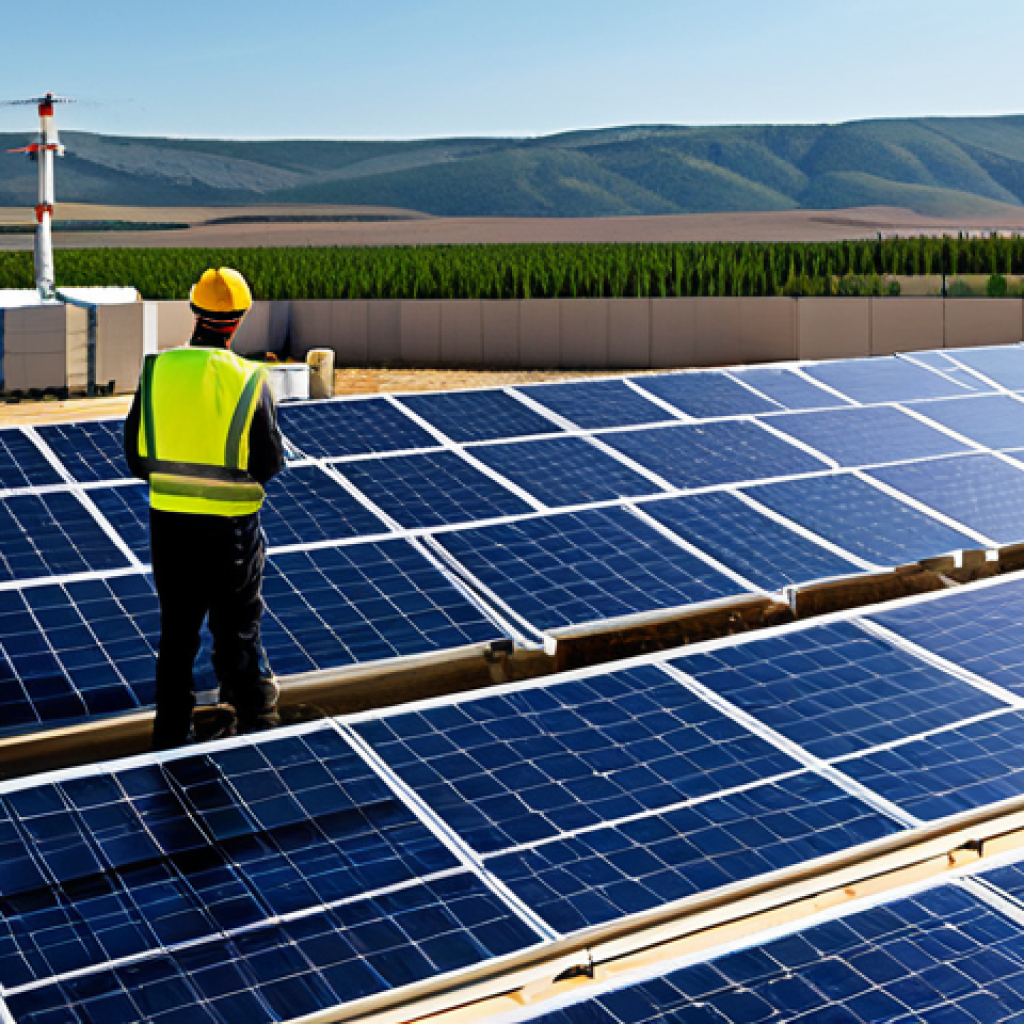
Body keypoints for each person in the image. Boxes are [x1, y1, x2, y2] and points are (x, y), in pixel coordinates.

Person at [123, 267, 284, 749]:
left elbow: (136, 458)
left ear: (195, 311)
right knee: (236, 632)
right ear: (237, 320)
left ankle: (169, 735)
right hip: (231, 532)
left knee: (177, 638)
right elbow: (269, 461)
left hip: (169, 530)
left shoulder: (157, 371)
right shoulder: (250, 380)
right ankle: (255, 730)